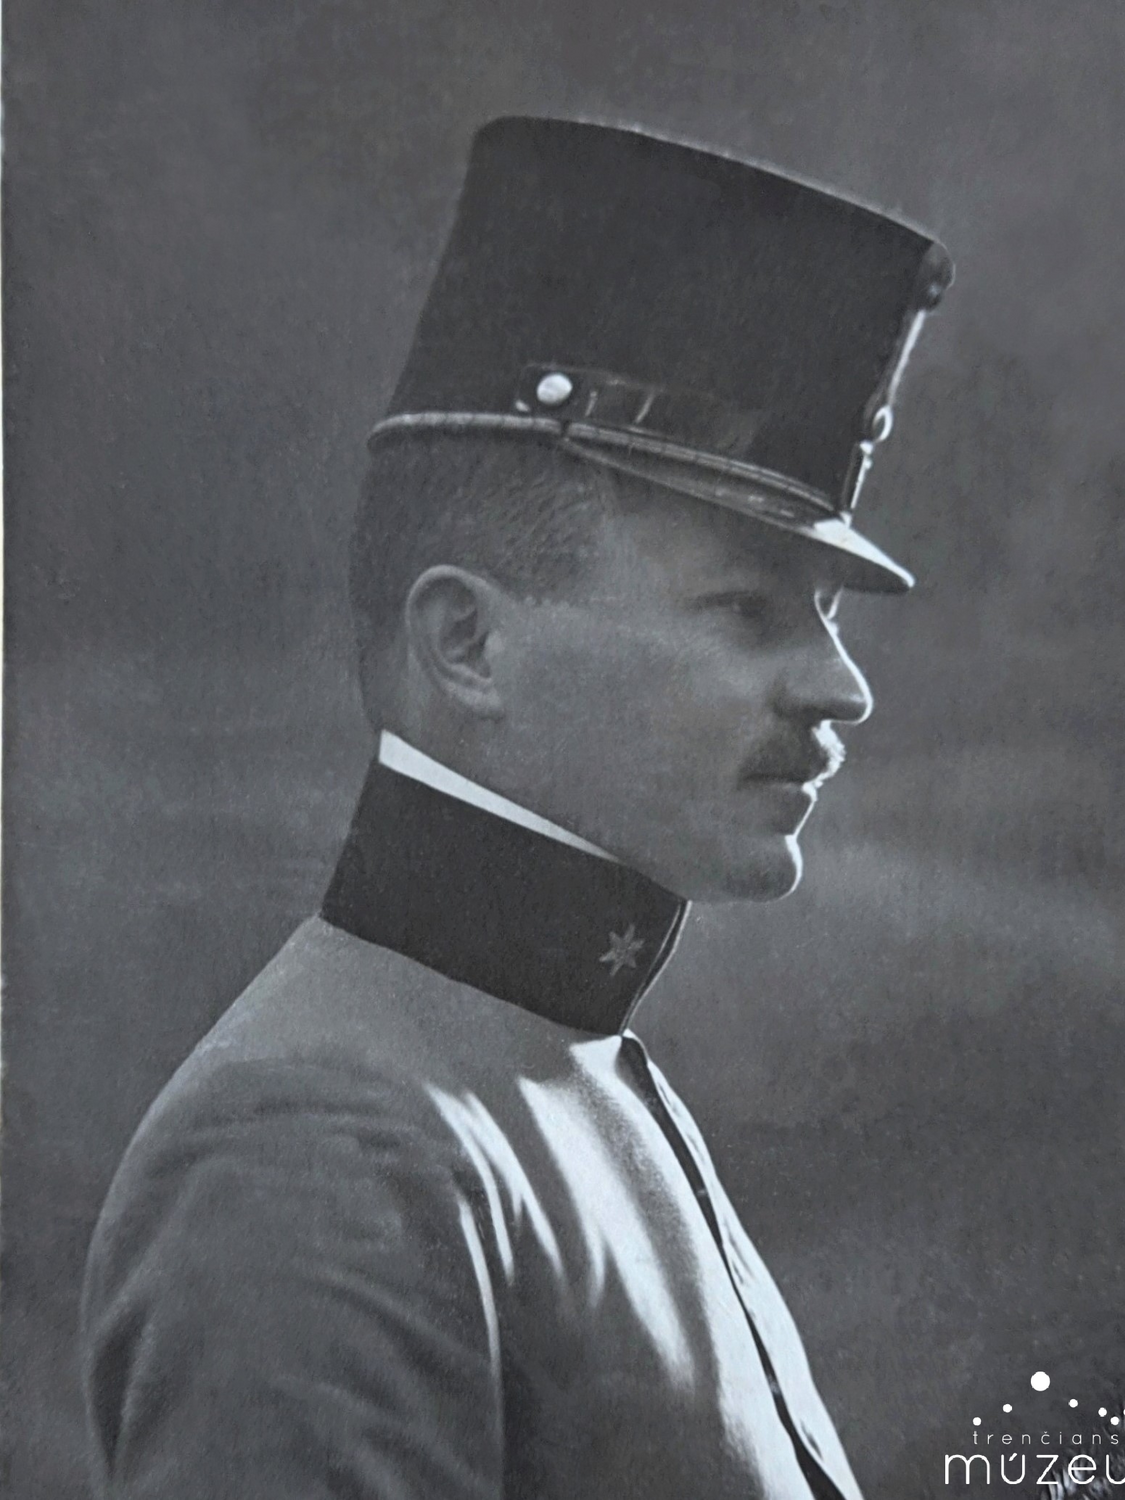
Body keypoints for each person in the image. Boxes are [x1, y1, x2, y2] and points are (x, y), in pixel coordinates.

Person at [80, 117, 952, 1500]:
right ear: (467, 644)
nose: (838, 685)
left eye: (828, 614)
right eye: (747, 607)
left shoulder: (556, 1073)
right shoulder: (314, 1147)